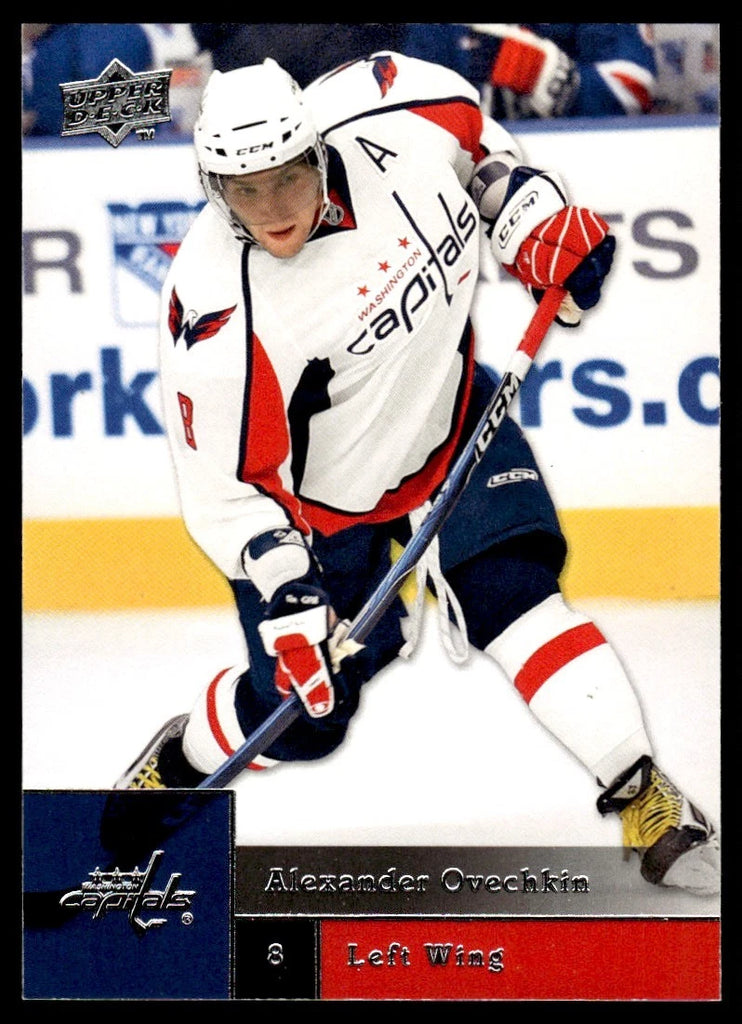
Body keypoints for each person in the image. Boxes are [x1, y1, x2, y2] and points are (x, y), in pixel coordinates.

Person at [115, 50, 719, 897]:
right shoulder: (215, 312)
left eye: (287, 177)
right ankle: (181, 759)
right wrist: (287, 595)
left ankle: (645, 793)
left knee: (514, 593)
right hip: (319, 519)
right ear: (214, 188)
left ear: (317, 148)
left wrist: (530, 220)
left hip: (449, 423)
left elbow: (483, 153)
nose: (273, 209)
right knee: (310, 720)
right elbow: (225, 486)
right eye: (244, 191)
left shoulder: (397, 104)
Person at [400, 23, 657, 119]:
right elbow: (405, 114)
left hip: (576, 169)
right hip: (466, 179)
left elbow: (632, 90)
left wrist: (538, 71)